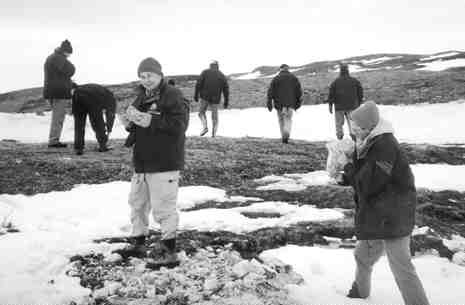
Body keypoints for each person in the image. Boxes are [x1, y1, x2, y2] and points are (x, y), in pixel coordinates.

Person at [341, 101, 429, 305]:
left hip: (394, 214)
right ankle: (360, 293)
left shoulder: (385, 146)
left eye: (357, 127)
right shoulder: (367, 141)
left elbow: (370, 183)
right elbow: (363, 174)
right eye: (352, 126)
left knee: (401, 266)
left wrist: (347, 168)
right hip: (378, 214)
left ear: (369, 126)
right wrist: (346, 173)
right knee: (363, 256)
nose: (354, 131)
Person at [120, 57, 189, 267]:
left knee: (163, 206)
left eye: (149, 75)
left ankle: (168, 250)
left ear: (160, 74)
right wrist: (129, 122)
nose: (145, 80)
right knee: (137, 204)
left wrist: (150, 120)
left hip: (164, 161)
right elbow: (137, 124)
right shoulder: (141, 96)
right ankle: (138, 242)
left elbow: (180, 125)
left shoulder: (173, 95)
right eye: (142, 76)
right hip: (141, 161)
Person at [43, 39, 76, 148]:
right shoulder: (59, 58)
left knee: (57, 117)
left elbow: (60, 76)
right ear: (65, 51)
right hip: (59, 93)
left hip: (52, 91)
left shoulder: (53, 57)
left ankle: (53, 139)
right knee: (58, 117)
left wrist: (71, 84)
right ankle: (53, 141)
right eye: (69, 53)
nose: (69, 56)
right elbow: (70, 71)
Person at [71, 83, 116, 155]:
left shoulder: (105, 92)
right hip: (92, 97)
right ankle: (102, 146)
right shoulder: (111, 98)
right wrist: (109, 128)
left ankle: (78, 148)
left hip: (77, 95)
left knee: (79, 124)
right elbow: (110, 115)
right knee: (98, 122)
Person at [266, 64, 303, 144]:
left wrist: (269, 103)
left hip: (279, 104)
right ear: (288, 69)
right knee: (288, 119)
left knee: (281, 120)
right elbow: (299, 92)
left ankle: (284, 136)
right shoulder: (294, 78)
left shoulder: (276, 78)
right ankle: (287, 132)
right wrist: (298, 103)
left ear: (280, 69)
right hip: (290, 104)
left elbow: (270, 92)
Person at [328, 63, 363, 140]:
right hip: (353, 106)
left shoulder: (335, 82)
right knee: (353, 124)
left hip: (339, 107)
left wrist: (330, 105)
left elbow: (331, 94)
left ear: (340, 71)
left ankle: (340, 139)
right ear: (348, 71)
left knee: (339, 125)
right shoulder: (355, 81)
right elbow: (360, 92)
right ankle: (354, 139)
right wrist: (359, 103)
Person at [194, 60, 229, 137]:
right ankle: (213, 134)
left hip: (204, 97)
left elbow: (198, 84)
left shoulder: (205, 72)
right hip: (215, 100)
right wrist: (226, 101)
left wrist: (196, 95)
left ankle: (205, 127)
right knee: (215, 117)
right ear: (217, 66)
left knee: (201, 113)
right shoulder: (222, 75)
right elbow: (226, 90)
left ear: (210, 65)